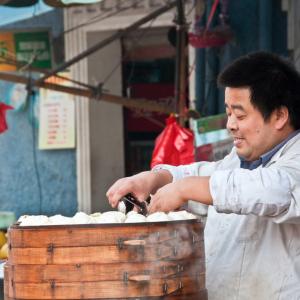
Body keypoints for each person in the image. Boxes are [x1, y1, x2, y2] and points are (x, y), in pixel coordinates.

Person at [106, 51, 300, 299]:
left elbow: (271, 190)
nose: (230, 124)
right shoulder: (239, 162)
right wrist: (151, 179)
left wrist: (184, 188)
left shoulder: (293, 163)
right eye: (229, 113)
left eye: (240, 115)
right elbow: (203, 174)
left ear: (279, 116)